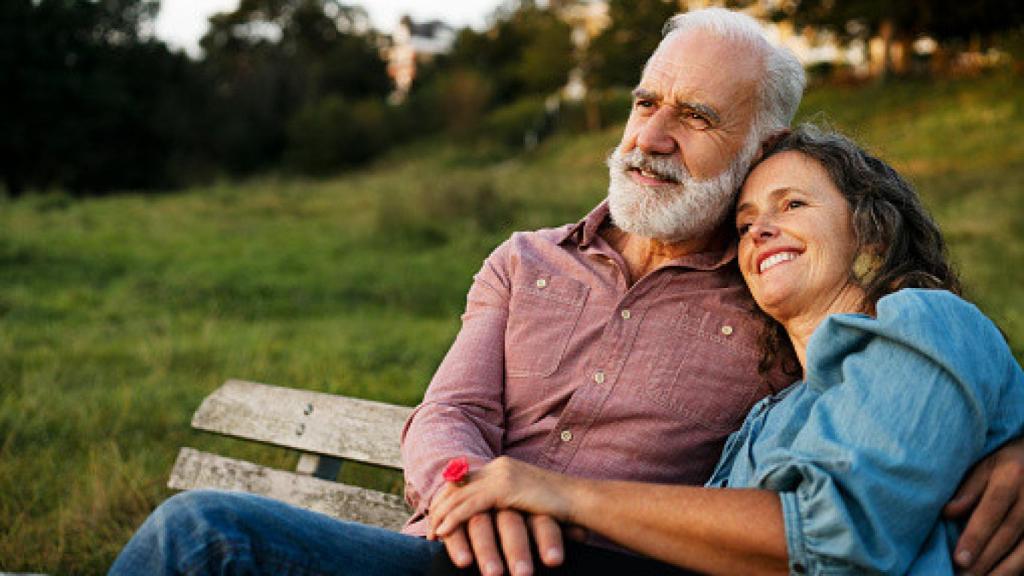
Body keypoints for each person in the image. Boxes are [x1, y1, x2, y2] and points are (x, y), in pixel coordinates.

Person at [108, 8, 1024, 576]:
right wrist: (478, 495)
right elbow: (447, 413)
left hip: (616, 564)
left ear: (759, 143)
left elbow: (909, 388)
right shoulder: (525, 260)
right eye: (645, 102)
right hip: (456, 548)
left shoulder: (777, 296)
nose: (652, 136)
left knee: (205, 540)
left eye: (696, 116)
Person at [426, 124, 1024, 575]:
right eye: (744, 224)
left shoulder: (924, 317)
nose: (760, 230)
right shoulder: (774, 412)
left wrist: (564, 494)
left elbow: (835, 539)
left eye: (791, 205)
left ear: (871, 227)